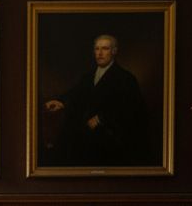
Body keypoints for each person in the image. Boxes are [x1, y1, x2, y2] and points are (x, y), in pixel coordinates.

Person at [42, 34, 150, 166]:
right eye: (97, 49)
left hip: (110, 137)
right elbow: (76, 92)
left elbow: (132, 110)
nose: (99, 53)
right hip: (85, 134)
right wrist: (61, 101)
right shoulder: (88, 76)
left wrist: (102, 118)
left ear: (114, 51)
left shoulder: (126, 78)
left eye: (104, 48)